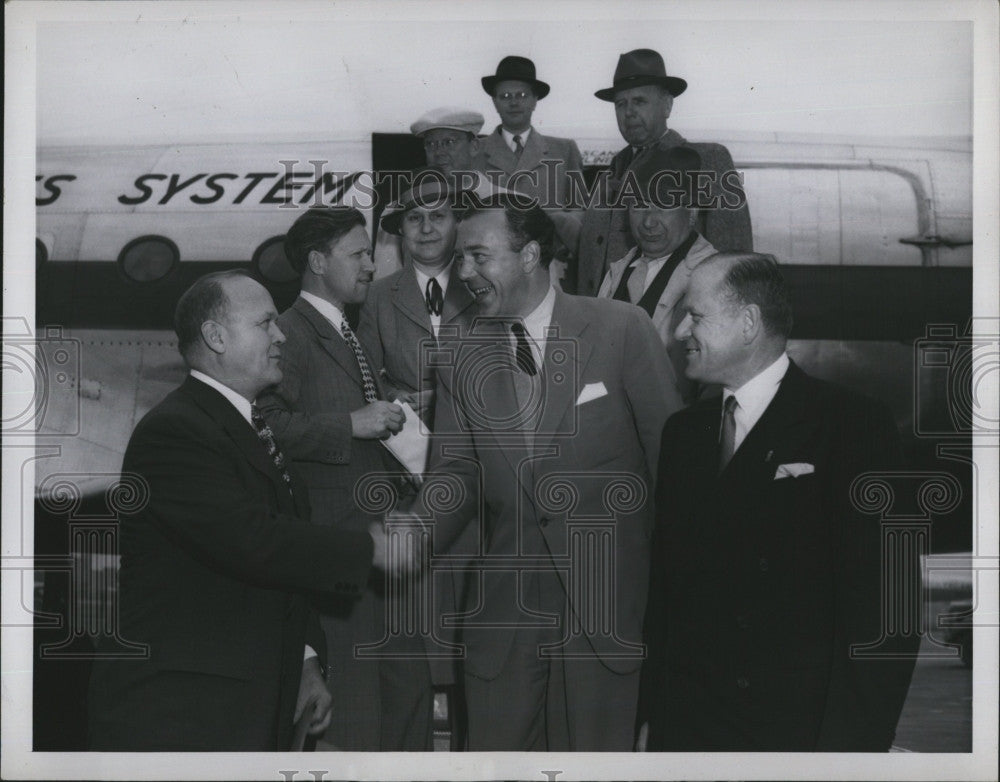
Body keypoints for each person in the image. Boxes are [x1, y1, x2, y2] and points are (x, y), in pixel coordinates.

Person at [414, 195, 681, 750]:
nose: (464, 273)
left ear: (530, 254)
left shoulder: (622, 328)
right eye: (461, 259)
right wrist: (405, 539)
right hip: (503, 616)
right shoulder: (459, 352)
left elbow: (673, 467)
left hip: (607, 608)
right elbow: (455, 474)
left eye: (478, 257)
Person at [87, 270, 392, 751]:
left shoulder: (246, 424)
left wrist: (306, 662)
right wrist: (371, 548)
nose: (281, 335)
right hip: (183, 715)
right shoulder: (176, 431)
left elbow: (279, 561)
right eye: (266, 323)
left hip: (239, 704)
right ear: (216, 336)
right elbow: (251, 539)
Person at [638, 252, 918, 751]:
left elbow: (888, 610)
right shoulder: (683, 434)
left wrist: (850, 750)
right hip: (688, 732)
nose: (680, 332)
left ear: (748, 323)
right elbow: (666, 597)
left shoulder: (852, 426)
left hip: (794, 735)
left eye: (695, 316)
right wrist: (651, 719)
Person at [257, 207, 434, 751]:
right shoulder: (288, 334)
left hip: (380, 553)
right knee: (358, 717)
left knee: (406, 699)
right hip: (339, 557)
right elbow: (261, 428)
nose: (369, 266)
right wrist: (350, 423)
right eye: (357, 254)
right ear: (316, 261)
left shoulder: (344, 332)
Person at [576, 48, 753, 296]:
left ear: (667, 106)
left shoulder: (707, 161)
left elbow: (736, 260)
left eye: (639, 101)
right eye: (620, 104)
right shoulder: (614, 168)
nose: (628, 112)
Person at [597, 145, 718, 402]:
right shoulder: (617, 272)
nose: (649, 222)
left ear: (692, 212)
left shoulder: (715, 276)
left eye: (663, 206)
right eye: (639, 206)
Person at [358, 175, 475, 423]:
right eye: (414, 218)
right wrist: (393, 395)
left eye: (437, 216)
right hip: (410, 436)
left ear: (457, 221)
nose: (425, 228)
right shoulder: (378, 296)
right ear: (401, 229)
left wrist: (445, 398)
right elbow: (365, 373)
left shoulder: (482, 286)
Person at [475, 55, 585, 282]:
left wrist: (561, 237)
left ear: (535, 100)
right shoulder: (475, 152)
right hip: (491, 272)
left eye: (522, 95)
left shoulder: (564, 151)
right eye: (505, 96)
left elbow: (580, 212)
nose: (514, 102)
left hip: (550, 271)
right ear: (494, 101)